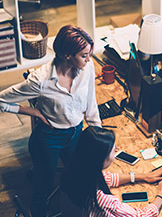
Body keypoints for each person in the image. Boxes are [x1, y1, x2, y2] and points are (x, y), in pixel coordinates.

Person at [0, 25, 101, 216]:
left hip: (76, 133)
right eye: (84, 55)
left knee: (77, 178)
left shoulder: (87, 68)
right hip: (49, 138)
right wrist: (34, 112)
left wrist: (99, 136)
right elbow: (2, 100)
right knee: (43, 188)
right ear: (66, 55)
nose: (89, 59)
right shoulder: (41, 80)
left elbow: (91, 104)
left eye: (89, 54)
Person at [60, 126, 162, 216]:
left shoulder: (76, 171)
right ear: (101, 158)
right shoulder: (102, 200)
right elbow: (140, 216)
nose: (116, 149)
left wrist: (143, 176)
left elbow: (107, 177)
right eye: (113, 150)